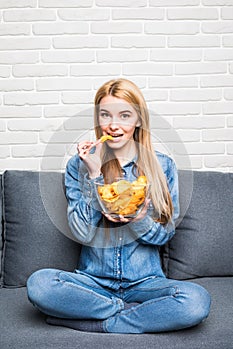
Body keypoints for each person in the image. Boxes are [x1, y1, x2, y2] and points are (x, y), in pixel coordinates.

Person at [27, 78, 211, 334]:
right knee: (40, 285)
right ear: (98, 119)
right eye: (105, 115)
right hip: (92, 282)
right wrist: (94, 177)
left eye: (124, 115)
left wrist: (140, 219)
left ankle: (98, 321)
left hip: (146, 283)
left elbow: (165, 234)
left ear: (138, 120)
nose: (113, 125)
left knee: (196, 302)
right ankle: (129, 312)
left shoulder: (163, 166)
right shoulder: (79, 166)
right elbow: (81, 233)